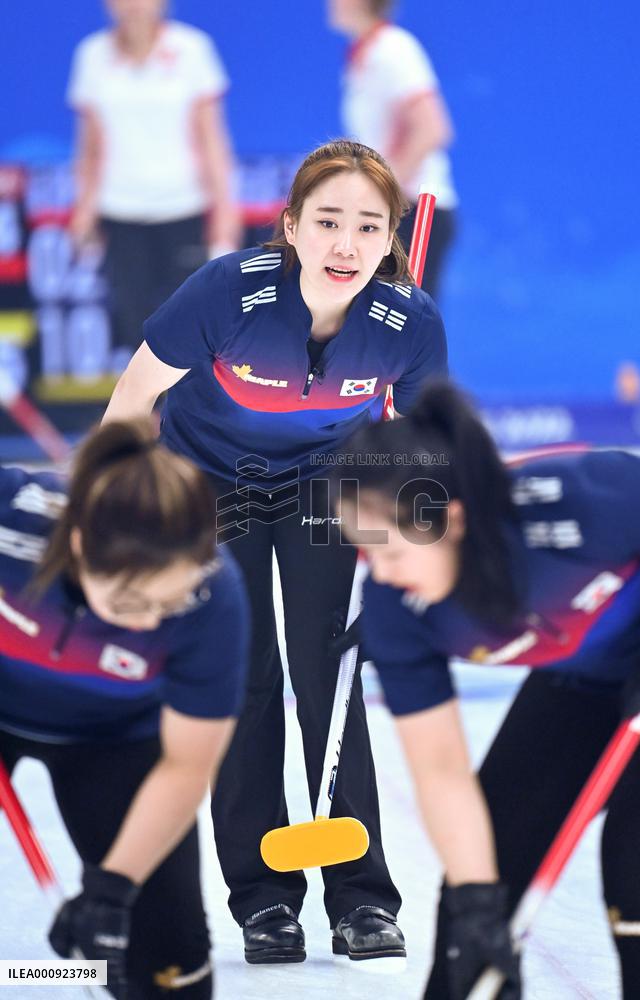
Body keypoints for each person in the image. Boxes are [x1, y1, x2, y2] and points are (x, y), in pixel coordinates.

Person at [101, 139, 448, 965]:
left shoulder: (408, 325)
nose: (346, 244)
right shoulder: (229, 291)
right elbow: (133, 398)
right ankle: (264, 900)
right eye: (326, 221)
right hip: (212, 480)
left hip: (329, 480)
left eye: (369, 227)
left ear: (392, 236)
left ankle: (362, 897)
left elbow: (436, 450)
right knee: (245, 674)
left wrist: (414, 530)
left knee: (332, 672)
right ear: (289, 226)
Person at [334, 378, 640, 1000]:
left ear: (448, 521)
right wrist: (481, 909)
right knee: (483, 879)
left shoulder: (577, 504)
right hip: (585, 680)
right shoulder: (396, 607)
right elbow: (440, 769)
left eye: (393, 553)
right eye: (365, 553)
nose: (379, 575)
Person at [0, 420, 249, 998]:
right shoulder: (10, 520)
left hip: (117, 739)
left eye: (170, 602)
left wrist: (112, 888)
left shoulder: (215, 597)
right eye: (133, 602)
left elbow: (188, 763)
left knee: (166, 969)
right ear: (81, 546)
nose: (149, 625)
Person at [67, 0, 239, 365]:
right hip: (120, 214)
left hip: (183, 210)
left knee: (189, 323)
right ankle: (148, 419)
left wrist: (225, 210)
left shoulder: (192, 50)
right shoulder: (92, 56)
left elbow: (211, 138)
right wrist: (84, 210)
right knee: (134, 324)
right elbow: (89, 145)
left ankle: (191, 417)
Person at [328, 0, 458, 300]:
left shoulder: (394, 50)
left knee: (403, 325)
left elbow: (432, 128)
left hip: (418, 209)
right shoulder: (368, 54)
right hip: (394, 211)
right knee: (377, 327)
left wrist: (385, 195)